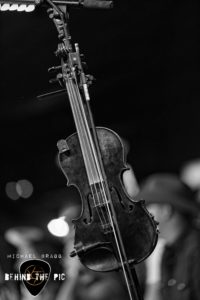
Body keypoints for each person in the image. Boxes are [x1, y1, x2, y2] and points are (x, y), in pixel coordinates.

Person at [135, 173, 200, 300]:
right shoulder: (167, 252)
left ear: (166, 211)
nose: (141, 217)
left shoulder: (196, 250)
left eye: (147, 208)